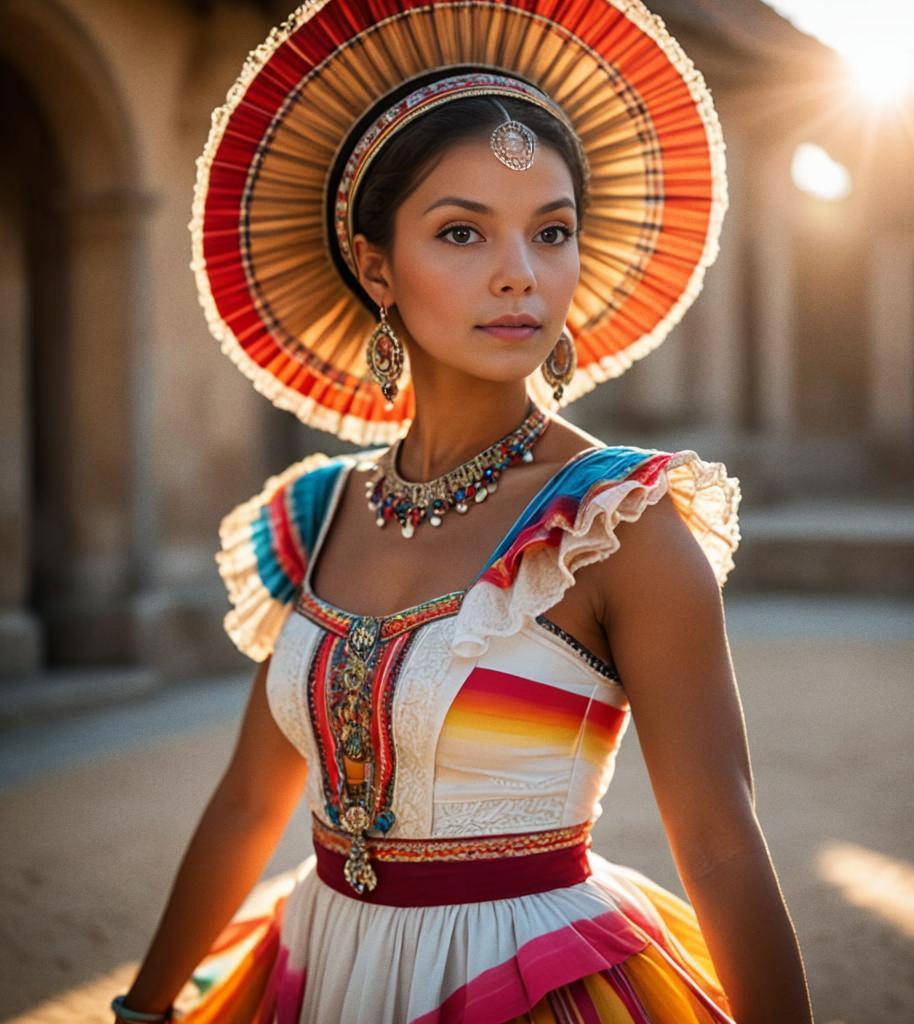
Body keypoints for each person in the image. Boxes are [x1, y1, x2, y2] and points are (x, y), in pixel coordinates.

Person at [111, 2, 813, 1022]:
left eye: (552, 232)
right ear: (376, 266)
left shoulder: (620, 528)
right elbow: (246, 802)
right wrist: (142, 1006)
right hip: (317, 974)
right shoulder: (316, 512)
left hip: (533, 981)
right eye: (460, 231)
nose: (519, 275)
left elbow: (718, 839)